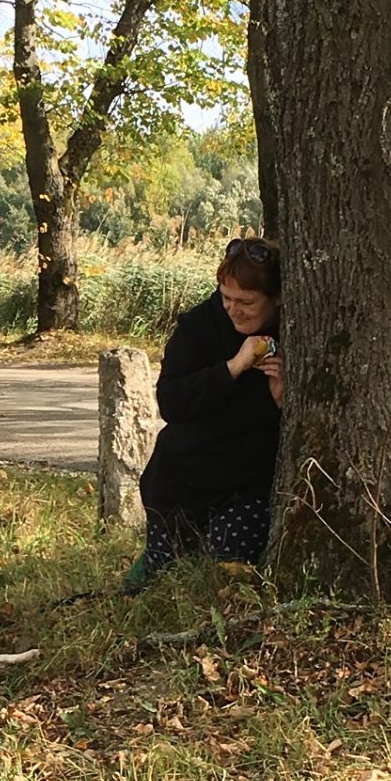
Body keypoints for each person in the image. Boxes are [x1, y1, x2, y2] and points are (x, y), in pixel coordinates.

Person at [124, 237, 283, 593]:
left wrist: (281, 403)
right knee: (157, 581)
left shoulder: (294, 335)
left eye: (246, 302)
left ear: (277, 298)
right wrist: (232, 368)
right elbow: (172, 402)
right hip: (181, 480)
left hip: (247, 486)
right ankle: (154, 561)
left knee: (226, 571)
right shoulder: (198, 327)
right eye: (226, 297)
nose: (233, 310)